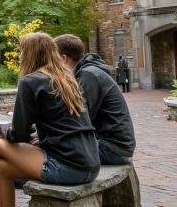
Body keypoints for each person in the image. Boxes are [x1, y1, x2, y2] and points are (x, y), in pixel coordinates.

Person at [0, 32, 99, 207]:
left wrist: (5, 132)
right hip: (90, 163)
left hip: (67, 166)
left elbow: (18, 134)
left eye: (22, 51)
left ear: (29, 54)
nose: (20, 56)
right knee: (0, 168)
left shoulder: (30, 82)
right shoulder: (66, 79)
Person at [54, 34, 136, 165]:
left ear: (63, 58)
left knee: (48, 150)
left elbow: (79, 119)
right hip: (112, 145)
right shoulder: (89, 71)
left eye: (53, 60)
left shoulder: (88, 75)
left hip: (111, 149)